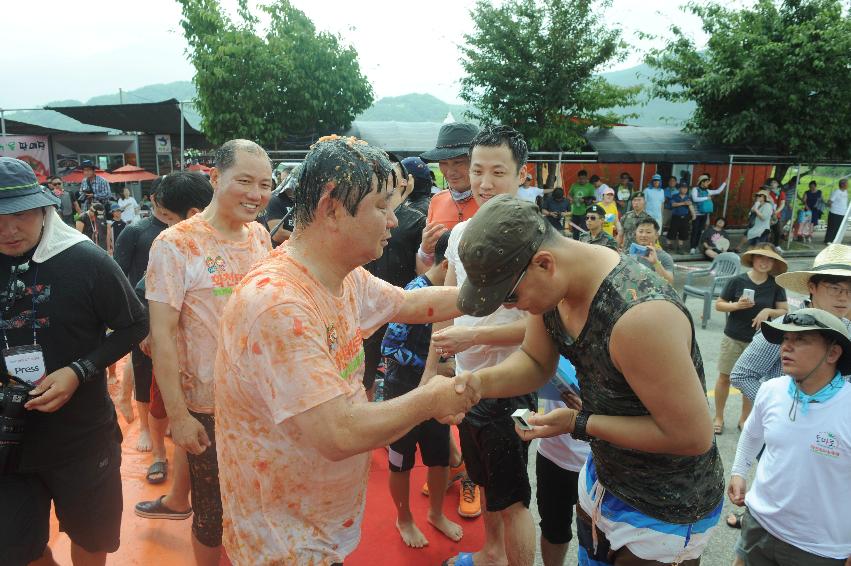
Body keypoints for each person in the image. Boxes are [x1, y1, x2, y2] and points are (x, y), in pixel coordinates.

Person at [213, 135, 478, 565]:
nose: (393, 221)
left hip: (318, 524)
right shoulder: (279, 303)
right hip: (285, 542)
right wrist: (431, 397)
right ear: (332, 208)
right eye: (381, 207)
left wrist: (497, 297)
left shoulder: (343, 275)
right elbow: (340, 432)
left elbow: (408, 303)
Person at [454, 194, 724, 566]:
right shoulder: (556, 290)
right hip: (604, 478)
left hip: (663, 510)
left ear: (544, 263)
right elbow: (535, 361)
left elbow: (691, 436)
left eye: (510, 297)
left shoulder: (639, 316)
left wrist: (580, 423)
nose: (509, 308)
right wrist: (476, 385)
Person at [0, 157, 148, 566]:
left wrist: (78, 371)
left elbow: (135, 324)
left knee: (91, 535)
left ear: (43, 207)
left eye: (20, 214)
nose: (9, 229)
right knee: (14, 547)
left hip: (80, 436)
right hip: (8, 441)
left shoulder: (85, 261)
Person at [142, 139, 274, 566]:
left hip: (261, 401)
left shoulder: (259, 235)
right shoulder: (175, 244)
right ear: (215, 179)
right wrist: (178, 417)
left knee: (258, 503)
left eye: (265, 184)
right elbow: (161, 336)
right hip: (208, 405)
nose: (256, 194)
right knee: (212, 511)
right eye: (245, 181)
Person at [431, 125, 537, 566]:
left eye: (498, 171)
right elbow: (449, 303)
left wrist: (471, 336)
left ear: (522, 174)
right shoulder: (460, 234)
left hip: (512, 381)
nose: (485, 182)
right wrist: (438, 370)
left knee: (512, 497)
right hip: (467, 379)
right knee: (484, 478)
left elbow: (540, 329)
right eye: (477, 171)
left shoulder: (536, 238)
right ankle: (491, 553)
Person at [728, 309, 851, 565]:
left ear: (833, 353)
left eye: (801, 340)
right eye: (785, 339)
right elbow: (752, 433)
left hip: (819, 548)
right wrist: (739, 471)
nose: (786, 347)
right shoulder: (771, 389)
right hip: (758, 524)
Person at [115, 172, 212, 491]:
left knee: (190, 417)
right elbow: (131, 285)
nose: (166, 223)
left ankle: (180, 489)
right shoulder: (152, 238)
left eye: (170, 218)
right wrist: (144, 331)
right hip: (160, 338)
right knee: (153, 396)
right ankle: (156, 449)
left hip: (205, 356)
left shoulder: (228, 241)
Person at [380, 231, 464, 548]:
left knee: (439, 457)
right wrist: (428, 367)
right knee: (400, 461)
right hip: (402, 391)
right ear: (446, 265)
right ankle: (404, 519)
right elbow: (389, 348)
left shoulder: (449, 294)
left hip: (435, 393)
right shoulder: (414, 292)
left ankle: (436, 513)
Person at [713, 245, 788, 434]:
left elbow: (785, 311)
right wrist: (737, 305)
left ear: (773, 263)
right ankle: (719, 417)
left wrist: (769, 311)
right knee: (724, 377)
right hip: (734, 336)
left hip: (761, 341)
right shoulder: (737, 281)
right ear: (753, 259)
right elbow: (719, 305)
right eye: (760, 258)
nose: (764, 262)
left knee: (750, 379)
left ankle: (744, 419)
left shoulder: (776, 285)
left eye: (769, 259)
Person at [534, 359, 590, 566]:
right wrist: (537, 416)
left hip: (595, 463)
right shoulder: (552, 330)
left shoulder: (616, 337)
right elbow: (540, 382)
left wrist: (588, 413)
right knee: (553, 529)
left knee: (596, 540)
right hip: (551, 453)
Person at [418, 122, 480, 272]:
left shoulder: (492, 201)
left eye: (458, 162)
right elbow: (426, 268)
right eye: (443, 163)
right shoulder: (436, 201)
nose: (450, 171)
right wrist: (425, 250)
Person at [688, 173, 727, 253]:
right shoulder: (695, 189)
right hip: (696, 215)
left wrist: (725, 183)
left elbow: (718, 191)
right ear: (702, 182)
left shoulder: (707, 191)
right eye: (706, 182)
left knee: (700, 231)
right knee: (695, 231)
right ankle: (692, 247)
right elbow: (695, 199)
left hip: (704, 215)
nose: (707, 183)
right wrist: (706, 198)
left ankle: (696, 246)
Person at [632, 217, 675, 284]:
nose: (643, 235)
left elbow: (669, 282)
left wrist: (655, 263)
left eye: (648, 232)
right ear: (635, 234)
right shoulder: (631, 254)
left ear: (656, 235)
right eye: (640, 231)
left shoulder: (665, 257)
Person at [265, 164, 299, 246]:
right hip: (280, 252)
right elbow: (278, 235)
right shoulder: (275, 200)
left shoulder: (303, 201)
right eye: (282, 180)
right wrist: (306, 239)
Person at [568, 169, 596, 239]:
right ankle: (575, 243)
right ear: (578, 178)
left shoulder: (590, 187)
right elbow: (568, 195)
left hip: (585, 212)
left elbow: (593, 199)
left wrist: (584, 200)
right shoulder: (574, 185)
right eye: (580, 179)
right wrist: (571, 199)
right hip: (574, 212)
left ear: (587, 178)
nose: (582, 180)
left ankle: (584, 243)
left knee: (585, 230)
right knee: (575, 230)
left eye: (583, 179)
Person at [824, 178, 848, 244]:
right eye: (846, 183)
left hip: (842, 213)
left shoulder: (845, 192)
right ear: (842, 184)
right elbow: (829, 202)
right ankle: (829, 240)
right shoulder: (837, 192)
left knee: (838, 228)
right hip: (835, 213)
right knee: (832, 227)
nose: (848, 185)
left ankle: (835, 240)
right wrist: (829, 206)